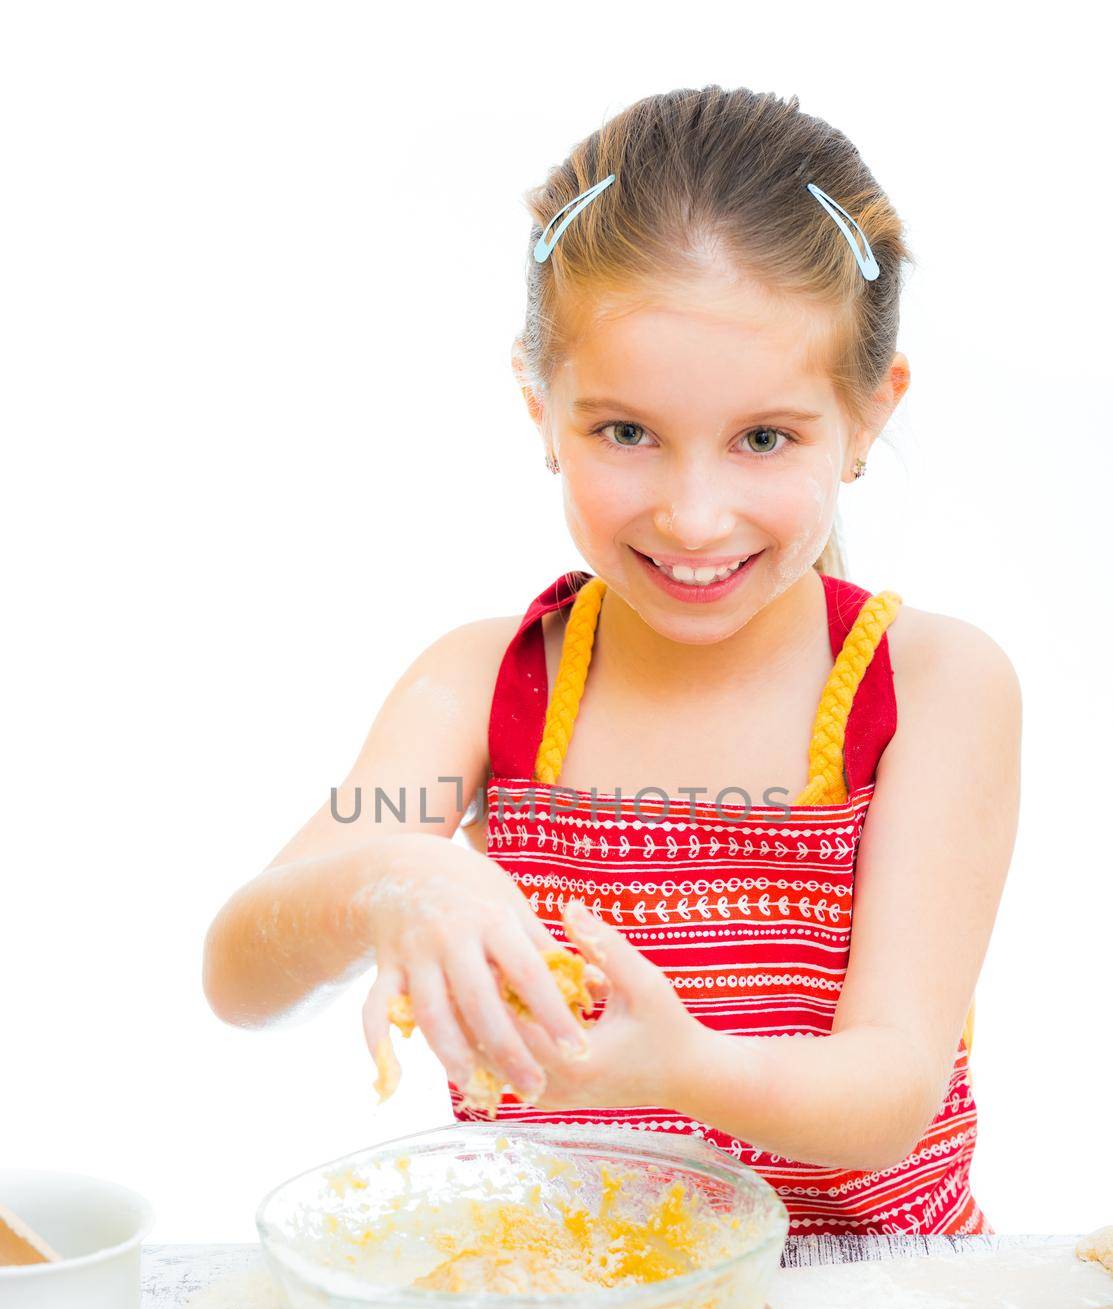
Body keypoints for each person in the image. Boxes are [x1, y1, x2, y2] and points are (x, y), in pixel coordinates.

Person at [203, 85, 1021, 1235]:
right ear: (542, 406)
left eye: (764, 438)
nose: (693, 516)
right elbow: (241, 970)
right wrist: (395, 874)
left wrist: (682, 1066)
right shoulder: (484, 685)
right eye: (625, 432)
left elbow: (892, 1087)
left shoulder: (932, 686)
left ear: (867, 417)